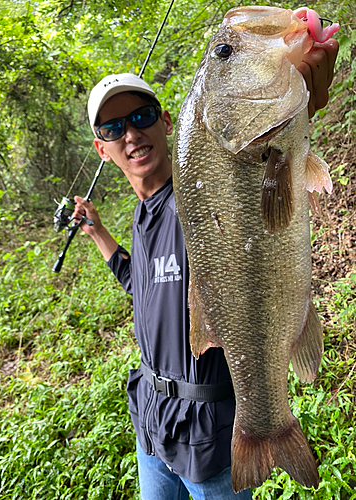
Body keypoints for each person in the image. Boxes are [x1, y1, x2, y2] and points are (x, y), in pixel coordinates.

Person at [72, 38, 339, 500]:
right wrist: (98, 232)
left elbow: (252, 188)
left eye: (141, 117)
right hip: (151, 428)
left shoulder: (197, 204)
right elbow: (145, 285)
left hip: (210, 441)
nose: (131, 135)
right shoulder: (144, 212)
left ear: (167, 122)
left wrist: (296, 108)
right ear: (102, 148)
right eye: (115, 128)